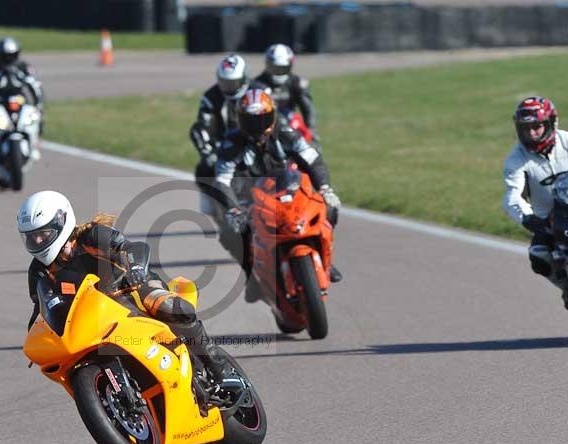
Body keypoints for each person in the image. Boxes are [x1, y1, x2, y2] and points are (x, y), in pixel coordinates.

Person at [18, 190, 239, 413]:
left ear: (61, 223)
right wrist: (39, 334)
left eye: (42, 234)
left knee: (169, 307)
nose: (37, 241)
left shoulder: (90, 237)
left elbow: (132, 248)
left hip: (131, 288)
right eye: (31, 236)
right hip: (96, 315)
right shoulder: (39, 271)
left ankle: (219, 371)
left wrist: (135, 269)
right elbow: (41, 307)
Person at [213, 88, 341, 294]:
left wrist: (325, 188)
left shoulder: (285, 131)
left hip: (288, 188)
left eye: (263, 120)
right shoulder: (231, 144)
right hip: (250, 198)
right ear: (240, 121)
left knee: (329, 209)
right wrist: (233, 209)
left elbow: (313, 159)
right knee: (230, 233)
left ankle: (325, 260)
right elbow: (222, 181)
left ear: (273, 116)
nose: (258, 127)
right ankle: (252, 275)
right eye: (251, 121)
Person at [503, 96, 568, 309]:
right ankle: (567, 287)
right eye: (525, 128)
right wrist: (528, 218)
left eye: (537, 126)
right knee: (539, 256)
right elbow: (513, 196)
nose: (531, 133)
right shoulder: (516, 159)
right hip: (548, 220)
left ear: (551, 123)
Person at [189, 54, 249, 214]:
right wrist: (207, 152)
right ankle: (210, 199)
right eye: (224, 82)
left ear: (243, 79)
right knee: (204, 169)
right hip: (221, 145)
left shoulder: (254, 93)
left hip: (250, 143)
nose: (228, 87)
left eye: (232, 83)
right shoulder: (211, 96)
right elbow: (202, 125)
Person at [0, 37, 44, 137]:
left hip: (20, 101)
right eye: (6, 56)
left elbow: (35, 86)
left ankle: (33, 148)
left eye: (11, 56)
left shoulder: (24, 67)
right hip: (0, 103)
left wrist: (38, 109)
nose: (8, 59)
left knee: (33, 121)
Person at [253, 44, 317, 139]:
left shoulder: (297, 83)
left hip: (291, 125)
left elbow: (307, 108)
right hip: (264, 127)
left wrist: (311, 129)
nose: (279, 72)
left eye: (282, 69)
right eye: (275, 68)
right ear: (268, 64)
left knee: (311, 141)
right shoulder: (257, 84)